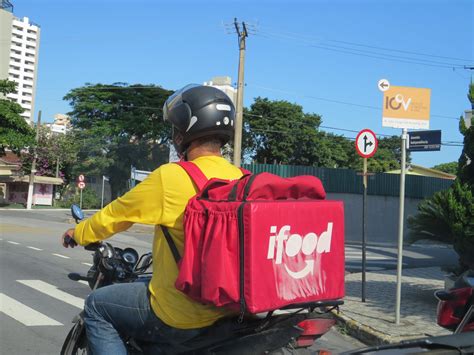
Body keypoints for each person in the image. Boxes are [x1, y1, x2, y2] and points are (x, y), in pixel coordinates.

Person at [61, 84, 244, 354]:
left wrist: (77, 233)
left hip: (180, 311)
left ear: (183, 132)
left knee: (97, 307)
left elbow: (115, 215)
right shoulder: (242, 178)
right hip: (228, 306)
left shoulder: (171, 177)